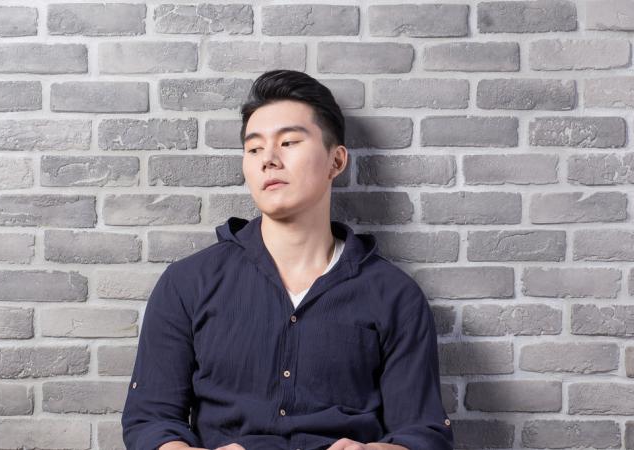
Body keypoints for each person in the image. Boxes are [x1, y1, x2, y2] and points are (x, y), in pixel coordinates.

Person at [122, 70, 453, 450]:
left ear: (336, 160)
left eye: (290, 142)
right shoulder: (187, 283)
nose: (269, 160)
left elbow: (425, 433)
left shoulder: (395, 296)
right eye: (254, 149)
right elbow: (150, 420)